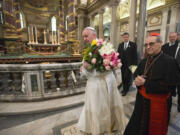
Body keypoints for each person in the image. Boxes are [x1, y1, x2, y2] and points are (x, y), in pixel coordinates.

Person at [123, 33, 180, 135]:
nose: (148, 47)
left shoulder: (170, 62)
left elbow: (170, 87)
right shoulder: (144, 61)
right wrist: (137, 81)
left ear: (160, 44)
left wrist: (146, 82)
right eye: (146, 44)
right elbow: (137, 75)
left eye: (151, 44)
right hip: (141, 103)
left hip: (158, 105)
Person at [77, 27, 127, 135]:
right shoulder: (88, 50)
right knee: (96, 107)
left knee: (110, 104)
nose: (84, 39)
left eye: (86, 36)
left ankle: (111, 125)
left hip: (106, 82)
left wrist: (88, 67)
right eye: (83, 37)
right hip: (94, 84)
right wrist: (85, 68)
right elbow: (86, 71)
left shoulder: (105, 47)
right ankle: (97, 127)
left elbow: (111, 65)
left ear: (94, 35)